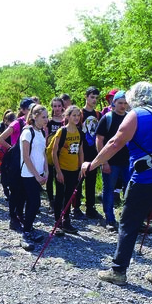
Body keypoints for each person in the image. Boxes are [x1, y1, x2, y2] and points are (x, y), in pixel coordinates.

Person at [82, 82, 152, 290]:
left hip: (145, 179)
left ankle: (118, 271)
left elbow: (114, 143)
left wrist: (93, 164)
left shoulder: (136, 115)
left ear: (133, 98)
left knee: (128, 224)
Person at [0, 97, 36, 231]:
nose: (33, 110)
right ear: (23, 110)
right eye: (30, 108)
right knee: (15, 191)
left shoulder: (36, 124)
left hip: (28, 162)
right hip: (16, 162)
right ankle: (13, 217)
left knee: (25, 191)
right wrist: (12, 149)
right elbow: (0, 139)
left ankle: (20, 214)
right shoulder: (17, 123)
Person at [96, 90, 130, 231]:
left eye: (125, 103)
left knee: (130, 191)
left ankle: (130, 220)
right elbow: (99, 140)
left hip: (128, 162)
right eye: (120, 103)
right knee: (109, 190)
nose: (123, 106)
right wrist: (104, 161)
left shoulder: (130, 118)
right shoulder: (107, 118)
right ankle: (110, 219)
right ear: (113, 103)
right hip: (111, 162)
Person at [19, 104, 49, 251]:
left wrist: (46, 170)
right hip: (28, 173)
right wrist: (37, 175)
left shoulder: (42, 132)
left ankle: (28, 228)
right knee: (34, 202)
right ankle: (26, 231)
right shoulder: (27, 132)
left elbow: (43, 153)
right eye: (43, 117)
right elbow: (26, 156)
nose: (46, 119)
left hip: (38, 173)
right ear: (34, 116)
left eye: (47, 116)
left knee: (34, 203)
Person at [52, 105, 83, 236]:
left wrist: (81, 168)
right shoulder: (62, 131)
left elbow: (81, 151)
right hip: (62, 168)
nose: (76, 118)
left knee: (70, 195)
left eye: (78, 115)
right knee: (60, 194)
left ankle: (66, 220)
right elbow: (54, 152)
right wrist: (58, 171)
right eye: (74, 115)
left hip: (74, 169)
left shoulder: (80, 132)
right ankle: (57, 221)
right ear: (68, 116)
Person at [74, 86, 102, 220]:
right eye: (92, 97)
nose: (94, 100)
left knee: (91, 181)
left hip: (93, 152)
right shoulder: (79, 114)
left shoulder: (98, 115)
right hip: (80, 152)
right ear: (86, 97)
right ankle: (76, 208)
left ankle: (90, 207)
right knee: (78, 180)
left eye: (96, 98)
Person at [46, 97, 65, 213]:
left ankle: (60, 200)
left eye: (59, 106)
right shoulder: (49, 121)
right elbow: (46, 136)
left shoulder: (65, 120)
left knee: (60, 177)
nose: (57, 108)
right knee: (49, 177)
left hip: (62, 153)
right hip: (50, 151)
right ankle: (51, 201)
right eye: (55, 106)